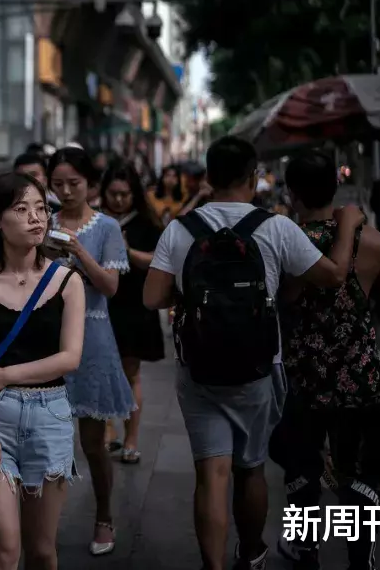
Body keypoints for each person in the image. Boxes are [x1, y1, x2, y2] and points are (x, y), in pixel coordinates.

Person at [142, 136, 364, 570]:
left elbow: (152, 297)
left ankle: (213, 565)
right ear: (253, 177)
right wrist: (349, 223)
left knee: (211, 473)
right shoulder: (276, 227)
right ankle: (250, 553)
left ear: (208, 178)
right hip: (259, 369)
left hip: (199, 369)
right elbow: (334, 275)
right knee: (251, 468)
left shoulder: (180, 229)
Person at [274, 151, 380, 570]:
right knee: (362, 475)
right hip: (360, 377)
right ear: (335, 187)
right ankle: (359, 559)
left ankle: (306, 551)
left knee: (301, 471)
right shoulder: (373, 241)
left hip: (304, 380)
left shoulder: (287, 243)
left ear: (292, 193)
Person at [0, 172, 86, 570]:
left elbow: (70, 358)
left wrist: (6, 375)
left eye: (41, 208)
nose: (36, 218)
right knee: (4, 550)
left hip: (51, 416)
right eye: (22, 208)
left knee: (42, 551)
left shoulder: (67, 280)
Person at [46, 147, 135, 556]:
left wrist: (78, 251)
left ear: (91, 185)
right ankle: (44, 522)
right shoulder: (42, 223)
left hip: (93, 335)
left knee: (93, 443)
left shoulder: (107, 227)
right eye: (58, 184)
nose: (66, 192)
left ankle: (104, 516)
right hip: (48, 334)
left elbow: (110, 286)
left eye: (74, 183)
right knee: (48, 437)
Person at [100, 162, 165, 464]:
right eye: (113, 193)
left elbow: (158, 260)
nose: (118, 200)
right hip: (102, 304)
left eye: (124, 194)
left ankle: (131, 439)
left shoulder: (146, 222)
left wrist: (126, 251)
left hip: (135, 305)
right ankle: (106, 431)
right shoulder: (96, 219)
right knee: (100, 371)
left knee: (131, 374)